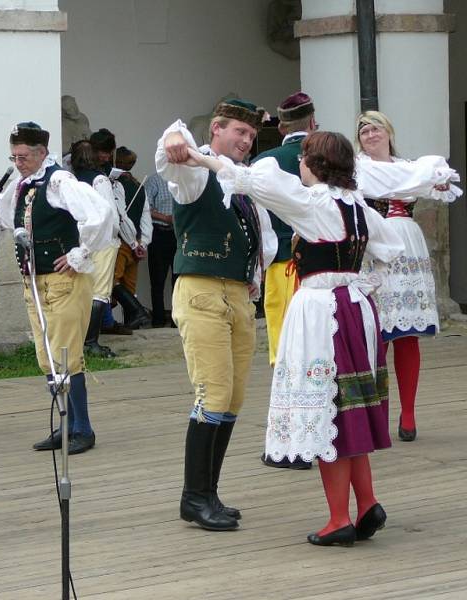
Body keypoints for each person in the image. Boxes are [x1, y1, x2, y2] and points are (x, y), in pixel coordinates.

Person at [190, 130, 458, 546]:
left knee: (330, 411)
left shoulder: (313, 204)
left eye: (303, 160)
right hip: (356, 309)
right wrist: (363, 285)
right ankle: (367, 503)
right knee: (349, 407)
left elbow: (249, 180)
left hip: (322, 312)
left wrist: (199, 157)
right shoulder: (360, 208)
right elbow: (390, 249)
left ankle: (338, 519)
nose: (298, 165)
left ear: (316, 165)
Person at [157, 99, 276, 532]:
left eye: (250, 135)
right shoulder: (195, 175)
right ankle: (193, 496)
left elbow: (263, 243)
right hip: (202, 292)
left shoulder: (240, 185)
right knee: (214, 392)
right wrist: (173, 136)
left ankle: (208, 492)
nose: (245, 141)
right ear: (216, 130)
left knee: (235, 396)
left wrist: (253, 278)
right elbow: (172, 152)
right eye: (238, 132)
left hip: (237, 296)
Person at [0, 122, 114, 455]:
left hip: (64, 282)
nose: (18, 162)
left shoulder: (59, 180)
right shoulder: (23, 184)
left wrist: (80, 254)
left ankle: (82, 428)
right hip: (35, 280)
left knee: (65, 355)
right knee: (47, 356)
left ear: (42, 152)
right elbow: (4, 218)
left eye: (24, 156)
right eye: (14, 156)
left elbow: (101, 215)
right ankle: (65, 425)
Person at [355, 110, 463, 442]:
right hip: (373, 246)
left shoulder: (410, 167)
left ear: (389, 132)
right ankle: (376, 412)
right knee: (375, 333)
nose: (371, 135)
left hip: (407, 247)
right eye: (364, 131)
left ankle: (409, 412)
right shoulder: (357, 169)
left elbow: (439, 187)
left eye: (376, 129)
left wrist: (438, 180)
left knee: (407, 333)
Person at [253, 91, 318, 470]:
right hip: (324, 267)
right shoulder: (328, 158)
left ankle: (289, 442)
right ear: (312, 122)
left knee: (284, 352)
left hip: (281, 265)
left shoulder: (265, 161)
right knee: (317, 351)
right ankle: (322, 432)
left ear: (280, 125)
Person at [69, 140, 120, 358]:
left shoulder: (70, 180)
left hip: (79, 239)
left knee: (82, 291)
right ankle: (91, 342)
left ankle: (80, 340)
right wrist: (117, 235)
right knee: (99, 292)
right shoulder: (99, 180)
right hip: (102, 240)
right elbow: (111, 214)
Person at [111, 146, 152, 328]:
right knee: (129, 286)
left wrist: (133, 242)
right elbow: (146, 219)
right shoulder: (138, 186)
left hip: (121, 241)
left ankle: (137, 313)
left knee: (111, 282)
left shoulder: (114, 185)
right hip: (136, 243)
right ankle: (132, 323)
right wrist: (142, 243)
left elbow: (121, 218)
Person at [145, 172, 177, 327]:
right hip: (160, 233)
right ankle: (158, 319)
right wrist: (166, 218)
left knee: (179, 280)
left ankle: (177, 319)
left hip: (180, 235)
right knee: (158, 280)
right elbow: (146, 209)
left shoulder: (183, 178)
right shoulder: (155, 180)